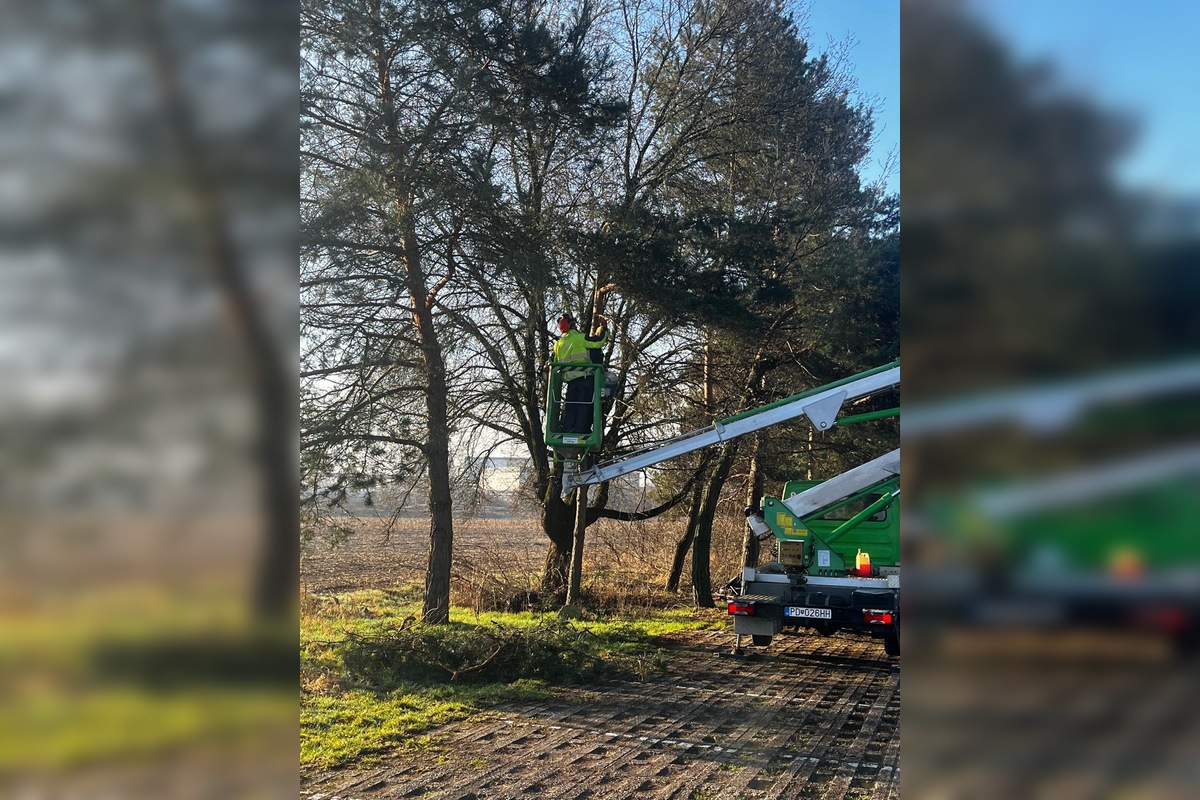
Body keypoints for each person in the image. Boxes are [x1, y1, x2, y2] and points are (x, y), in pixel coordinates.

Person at [553, 312, 609, 434]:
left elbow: (554, 363)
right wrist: (602, 328)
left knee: (571, 408)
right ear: (572, 325)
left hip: (570, 383)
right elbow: (598, 341)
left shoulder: (558, 345)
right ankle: (580, 432)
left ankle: (568, 431)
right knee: (584, 407)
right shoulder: (579, 338)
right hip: (584, 380)